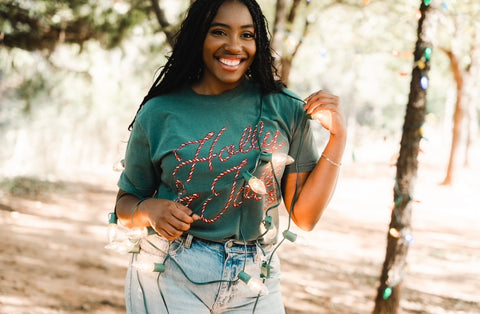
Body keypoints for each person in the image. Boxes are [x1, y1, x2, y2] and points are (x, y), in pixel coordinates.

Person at [112, 0, 346, 313]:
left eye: (247, 35)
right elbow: (124, 205)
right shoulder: (159, 112)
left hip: (256, 278)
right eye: (219, 32)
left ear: (258, 43)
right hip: (169, 271)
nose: (234, 46)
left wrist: (338, 139)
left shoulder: (286, 108)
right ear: (199, 37)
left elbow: (304, 217)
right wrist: (149, 210)